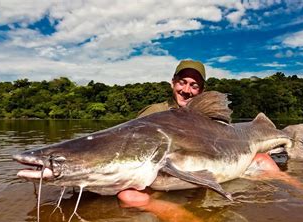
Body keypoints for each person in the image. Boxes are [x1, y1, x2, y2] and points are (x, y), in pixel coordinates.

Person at [118, 59, 279, 203]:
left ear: (201, 91)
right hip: (167, 178)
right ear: (173, 82)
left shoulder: (208, 116)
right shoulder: (153, 113)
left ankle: (300, 195)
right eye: (182, 82)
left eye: (194, 86)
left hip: (203, 173)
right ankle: (183, 220)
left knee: (265, 160)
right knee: (128, 195)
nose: (186, 90)